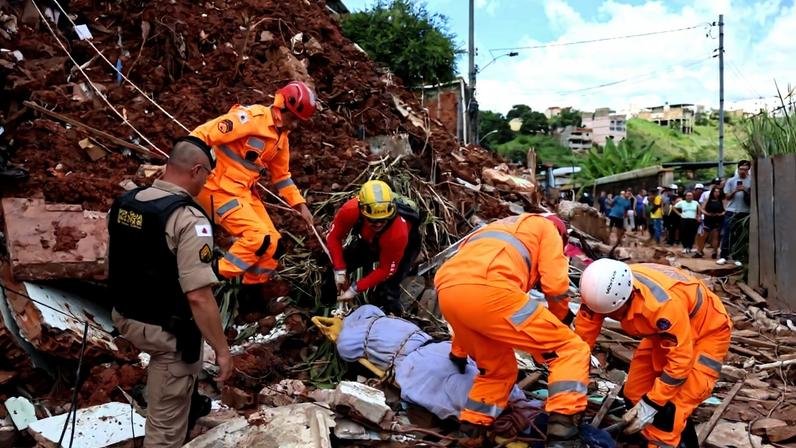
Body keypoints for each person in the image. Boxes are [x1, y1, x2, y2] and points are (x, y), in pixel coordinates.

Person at [108, 137, 233, 448]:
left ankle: (169, 397)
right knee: (164, 434)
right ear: (196, 170)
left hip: (125, 317)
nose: (205, 182)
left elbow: (112, 262)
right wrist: (222, 350)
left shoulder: (127, 202)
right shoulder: (188, 219)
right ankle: (168, 404)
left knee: (171, 391)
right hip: (168, 333)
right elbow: (198, 296)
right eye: (206, 175)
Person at [434, 214, 590, 447]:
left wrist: (458, 353)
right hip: (493, 290)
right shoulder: (548, 228)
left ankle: (470, 433)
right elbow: (556, 286)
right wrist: (560, 320)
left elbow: (467, 300)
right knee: (570, 349)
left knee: (497, 371)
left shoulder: (495, 228)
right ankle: (563, 434)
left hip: (447, 289)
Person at [575, 260, 731, 448]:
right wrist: (573, 388)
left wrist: (652, 404)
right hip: (663, 334)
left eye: (614, 313)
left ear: (627, 298)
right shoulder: (597, 293)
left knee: (670, 413)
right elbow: (581, 343)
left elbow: (680, 363)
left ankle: (664, 441)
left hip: (706, 330)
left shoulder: (660, 307)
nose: (610, 317)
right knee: (634, 393)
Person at [190, 81, 317, 293]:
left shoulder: (281, 139)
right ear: (281, 107)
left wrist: (300, 204)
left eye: (298, 121)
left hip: (242, 192)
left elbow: (282, 176)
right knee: (257, 238)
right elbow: (203, 134)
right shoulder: (250, 119)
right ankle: (206, 276)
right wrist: (184, 165)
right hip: (217, 189)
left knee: (274, 244)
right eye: (292, 118)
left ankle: (251, 294)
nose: (294, 125)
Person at [327, 180, 421, 315]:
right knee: (333, 272)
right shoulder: (350, 210)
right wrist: (340, 269)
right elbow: (334, 237)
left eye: (383, 220)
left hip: (402, 246)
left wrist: (355, 289)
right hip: (369, 241)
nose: (378, 224)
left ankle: (391, 321)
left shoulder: (398, 233)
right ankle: (329, 307)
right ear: (362, 211)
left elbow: (386, 269)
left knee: (388, 292)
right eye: (372, 220)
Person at [718, 161, 752, 266]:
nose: (743, 171)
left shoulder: (752, 181)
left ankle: (738, 257)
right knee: (727, 234)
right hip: (731, 210)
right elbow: (727, 197)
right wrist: (735, 191)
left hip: (745, 212)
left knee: (740, 235)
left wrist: (745, 189)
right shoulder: (731, 181)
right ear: (738, 169)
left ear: (748, 170)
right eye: (741, 169)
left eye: (745, 169)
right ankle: (723, 256)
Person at [695, 186, 725, 258]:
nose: (716, 193)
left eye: (718, 192)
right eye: (715, 191)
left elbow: (725, 210)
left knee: (715, 236)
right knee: (703, 236)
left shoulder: (721, 201)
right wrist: (706, 213)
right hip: (708, 219)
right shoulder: (708, 200)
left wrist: (720, 214)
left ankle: (715, 252)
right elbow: (702, 209)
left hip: (717, 219)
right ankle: (699, 251)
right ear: (712, 192)